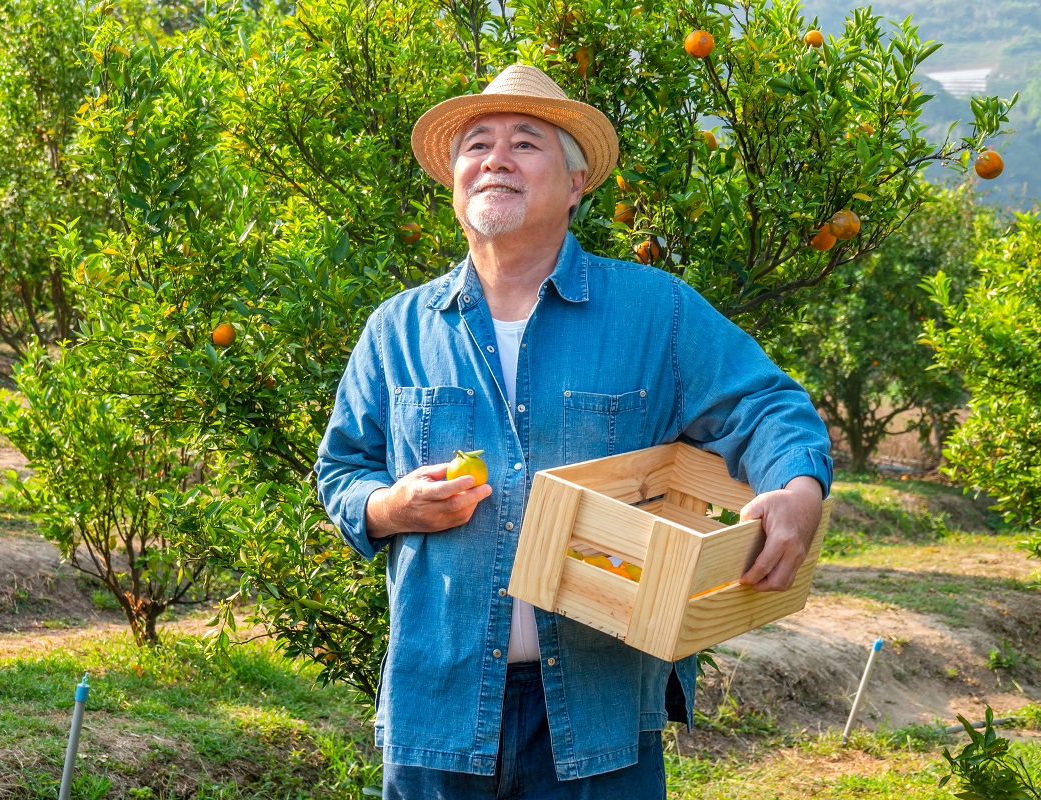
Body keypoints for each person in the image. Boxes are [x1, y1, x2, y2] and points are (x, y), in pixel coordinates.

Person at [315, 64, 832, 799]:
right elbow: (343, 470)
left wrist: (798, 488)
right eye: (477, 145)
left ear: (576, 182)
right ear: (456, 178)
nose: (495, 158)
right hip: (440, 705)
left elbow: (767, 407)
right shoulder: (396, 330)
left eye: (525, 143)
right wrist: (388, 508)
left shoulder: (655, 312)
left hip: (597, 710)